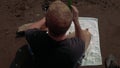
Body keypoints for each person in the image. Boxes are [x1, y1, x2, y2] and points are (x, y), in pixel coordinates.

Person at [25, 0, 91, 68]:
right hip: (67, 61)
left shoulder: (36, 38)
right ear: (69, 26)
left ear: (47, 24)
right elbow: (82, 41)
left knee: (38, 32)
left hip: (42, 60)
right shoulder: (75, 48)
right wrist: (76, 21)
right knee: (87, 34)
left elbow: (29, 29)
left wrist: (47, 18)